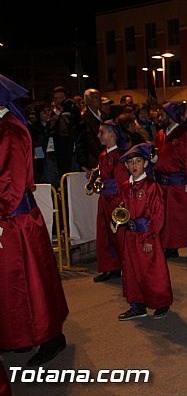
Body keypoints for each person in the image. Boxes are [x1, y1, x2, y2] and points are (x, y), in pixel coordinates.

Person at [0, 73, 68, 367]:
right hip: (9, 218)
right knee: (12, 285)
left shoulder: (10, 131)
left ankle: (50, 337)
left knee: (31, 284)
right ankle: (21, 335)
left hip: (15, 219)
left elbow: (12, 182)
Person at [116, 143, 173, 320]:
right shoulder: (125, 186)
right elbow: (122, 208)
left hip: (147, 235)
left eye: (138, 161)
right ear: (126, 166)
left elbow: (158, 215)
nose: (134, 165)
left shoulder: (151, 186)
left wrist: (150, 237)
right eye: (131, 162)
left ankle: (161, 303)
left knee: (152, 271)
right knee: (132, 271)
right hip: (130, 236)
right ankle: (137, 306)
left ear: (145, 164)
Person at [153, 102, 187, 259]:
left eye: (162, 114)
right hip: (163, 183)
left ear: (171, 115)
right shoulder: (161, 135)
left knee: (186, 216)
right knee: (167, 217)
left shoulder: (185, 134)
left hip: (180, 183)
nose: (159, 117)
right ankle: (170, 247)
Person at [92, 120, 130, 283]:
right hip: (105, 199)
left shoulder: (120, 156)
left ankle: (128, 267)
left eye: (102, 132)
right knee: (105, 234)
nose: (99, 135)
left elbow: (122, 181)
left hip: (116, 199)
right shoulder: (103, 155)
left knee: (120, 234)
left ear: (112, 134)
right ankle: (111, 267)